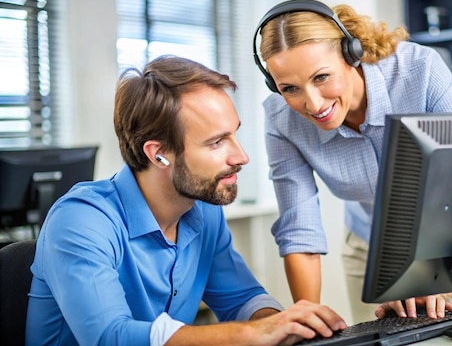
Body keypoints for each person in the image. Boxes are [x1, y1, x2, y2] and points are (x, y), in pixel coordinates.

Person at [25, 55, 347, 345]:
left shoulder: (203, 211)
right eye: (217, 142)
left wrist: (284, 326)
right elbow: (110, 337)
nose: (242, 156)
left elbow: (242, 300)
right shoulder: (81, 220)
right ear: (159, 154)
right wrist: (254, 334)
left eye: (234, 133)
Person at [253, 0, 452, 324]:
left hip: (450, 239)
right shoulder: (282, 120)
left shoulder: (420, 70)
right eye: (289, 88)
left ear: (351, 53)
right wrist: (306, 319)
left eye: (321, 77)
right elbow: (299, 227)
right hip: (369, 246)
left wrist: (429, 270)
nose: (312, 103)